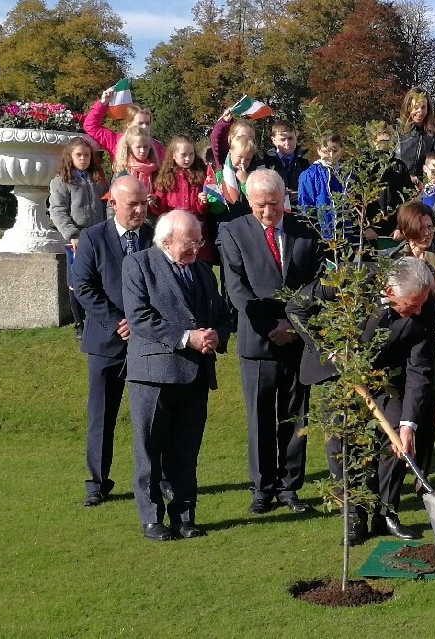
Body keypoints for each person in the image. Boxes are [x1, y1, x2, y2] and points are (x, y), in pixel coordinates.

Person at [287, 257, 435, 544]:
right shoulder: (351, 280)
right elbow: (296, 307)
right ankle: (354, 516)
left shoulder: (427, 305)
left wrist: (409, 426)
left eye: (421, 303)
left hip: (384, 374)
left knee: (395, 435)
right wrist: (331, 350)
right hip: (339, 372)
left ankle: (386, 513)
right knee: (342, 442)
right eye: (412, 304)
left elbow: (420, 367)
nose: (418, 310)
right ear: (391, 292)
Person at [217, 170, 324, 515]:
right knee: (260, 418)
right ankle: (262, 488)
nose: (268, 212)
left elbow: (318, 282)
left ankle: (290, 487)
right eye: (261, 205)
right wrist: (269, 326)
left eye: (274, 204)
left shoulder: (305, 229)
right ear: (250, 202)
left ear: (284, 199)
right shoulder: (233, 232)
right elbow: (236, 288)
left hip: (297, 339)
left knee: (296, 417)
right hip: (258, 342)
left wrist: (293, 324)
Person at [122, 210, 233, 540]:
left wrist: (216, 335)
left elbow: (222, 314)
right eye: (190, 242)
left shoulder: (202, 271)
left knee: (186, 452)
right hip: (153, 374)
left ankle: (184, 516)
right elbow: (140, 318)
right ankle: (152, 518)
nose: (196, 249)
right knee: (150, 451)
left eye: (199, 242)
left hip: (195, 375)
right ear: (166, 240)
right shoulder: (138, 265)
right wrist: (188, 337)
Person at [69, 175, 153, 507]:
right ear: (112, 203)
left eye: (143, 203)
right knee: (101, 416)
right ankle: (97, 481)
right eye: (133, 204)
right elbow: (83, 285)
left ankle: (155, 478)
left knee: (150, 416)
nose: (139, 210)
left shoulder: (154, 236)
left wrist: (141, 323)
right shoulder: (93, 237)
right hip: (106, 341)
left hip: (147, 342)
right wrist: (118, 320)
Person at [384, 202, 435, 476]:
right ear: (408, 229)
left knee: (426, 404)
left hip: (434, 340)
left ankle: (424, 471)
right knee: (402, 404)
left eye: (431, 226)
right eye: (422, 227)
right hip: (404, 345)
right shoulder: (394, 259)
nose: (428, 232)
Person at [50, 137, 108, 340]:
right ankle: (79, 323)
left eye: (86, 155)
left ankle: (98, 319)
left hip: (99, 234)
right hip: (77, 237)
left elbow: (108, 204)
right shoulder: (62, 181)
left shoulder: (98, 179)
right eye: (79, 155)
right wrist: (72, 234)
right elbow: (57, 210)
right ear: (70, 157)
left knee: (99, 279)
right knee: (77, 281)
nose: (83, 159)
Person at [152, 136, 214, 263]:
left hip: (196, 230)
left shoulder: (200, 174)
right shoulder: (165, 178)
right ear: (173, 155)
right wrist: (153, 202)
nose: (188, 158)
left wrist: (202, 202)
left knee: (198, 265)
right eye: (184, 155)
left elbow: (201, 210)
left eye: (191, 154)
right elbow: (160, 209)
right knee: (177, 263)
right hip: (174, 231)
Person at [84, 88, 165, 162]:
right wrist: (103, 103)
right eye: (140, 123)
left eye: (147, 123)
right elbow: (90, 126)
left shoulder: (157, 146)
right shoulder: (115, 141)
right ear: (129, 124)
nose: (144, 127)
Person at [298, 133, 346, 240]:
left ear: (341, 150)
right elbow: (306, 206)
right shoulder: (309, 175)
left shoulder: (348, 173)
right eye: (326, 151)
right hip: (321, 234)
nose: (331, 155)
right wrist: (314, 233)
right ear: (319, 150)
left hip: (348, 233)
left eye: (335, 151)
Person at [395, 87, 435, 181]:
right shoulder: (396, 133)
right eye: (416, 107)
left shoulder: (432, 137)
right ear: (408, 108)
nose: (420, 111)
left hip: (422, 189)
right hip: (397, 187)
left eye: (423, 107)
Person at [262, 120, 310, 205]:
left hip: (303, 210)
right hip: (276, 210)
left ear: (296, 137)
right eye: (283, 139)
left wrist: (300, 193)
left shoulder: (306, 160)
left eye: (290, 138)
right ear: (274, 140)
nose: (287, 143)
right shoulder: (266, 162)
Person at [111, 125, 160, 204]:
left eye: (145, 147)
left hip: (151, 214)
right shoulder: (123, 171)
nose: (142, 151)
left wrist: (156, 199)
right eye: (138, 147)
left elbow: (163, 196)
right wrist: (111, 216)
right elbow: (113, 199)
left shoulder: (155, 170)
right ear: (130, 148)